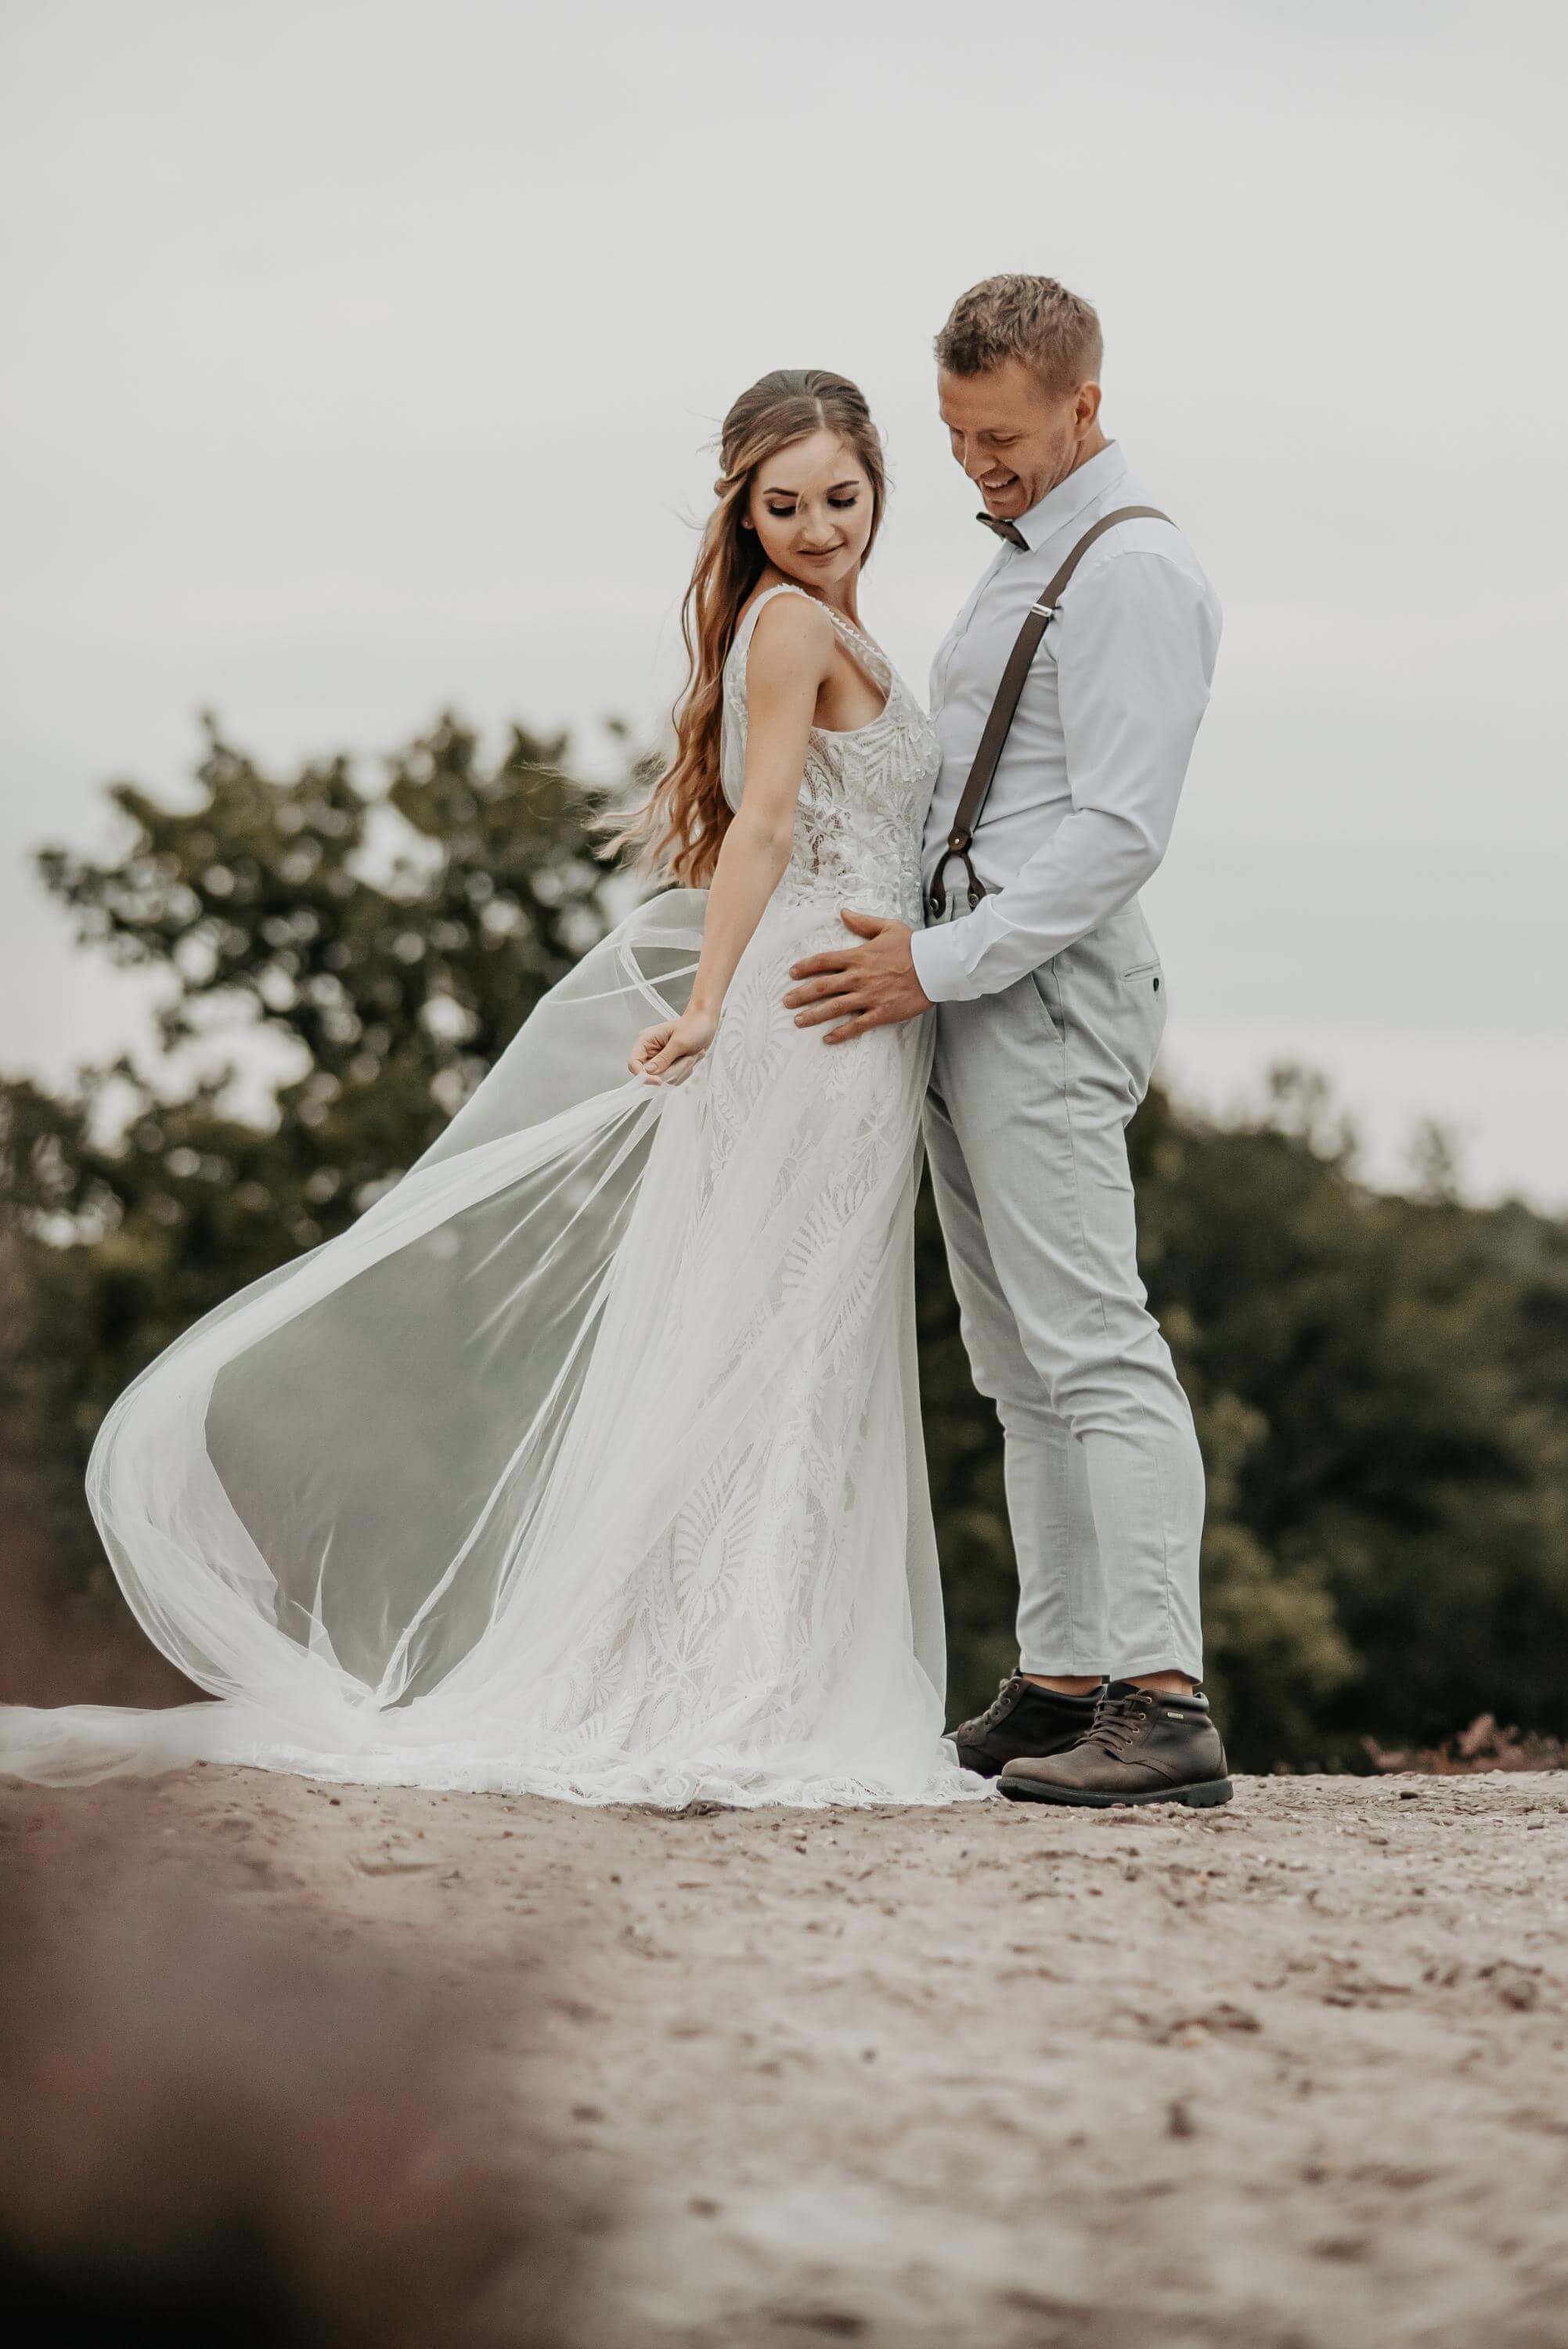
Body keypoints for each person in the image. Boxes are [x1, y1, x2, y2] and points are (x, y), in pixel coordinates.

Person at [0, 370, 986, 1810]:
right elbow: (763, 825)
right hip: (802, 1021)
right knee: (770, 1337)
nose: (819, 526)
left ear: (879, 489)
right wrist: (711, 1003)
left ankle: (757, 1658)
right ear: (743, 509)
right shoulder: (787, 627)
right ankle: (736, 1671)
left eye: (842, 497)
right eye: (784, 505)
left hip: (856, 1020)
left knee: (796, 1339)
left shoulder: (833, 623)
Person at [781, 276, 1233, 1809]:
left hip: (1035, 989)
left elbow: (1114, 834)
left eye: (1005, 436)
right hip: (966, 992)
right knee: (1017, 1364)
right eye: (960, 437)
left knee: (1093, 1343)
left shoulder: (1133, 571)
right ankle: (1058, 1682)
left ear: (1084, 405)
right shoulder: (1029, 556)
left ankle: (1163, 1704)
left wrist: (937, 963)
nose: (978, 464)